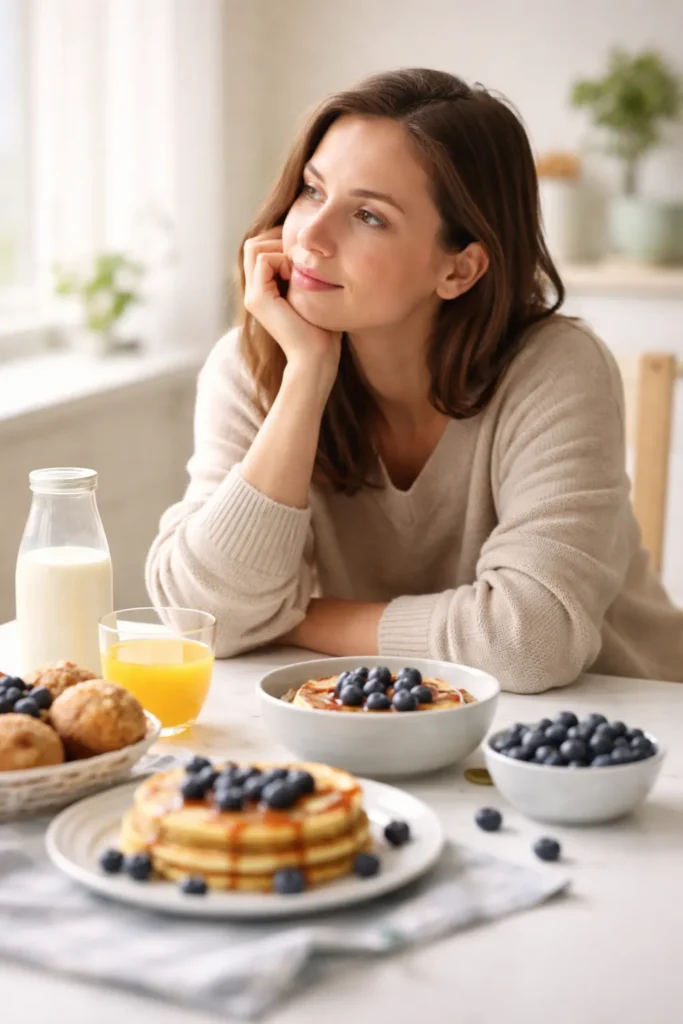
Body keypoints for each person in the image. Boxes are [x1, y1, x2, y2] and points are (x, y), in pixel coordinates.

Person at [146, 67, 683, 693]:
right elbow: (202, 613)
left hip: (615, 727)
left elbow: (532, 639)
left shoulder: (557, 368)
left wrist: (293, 620)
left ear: (459, 269)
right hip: (390, 717)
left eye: (369, 216)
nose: (310, 238)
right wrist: (307, 378)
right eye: (313, 191)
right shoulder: (254, 365)